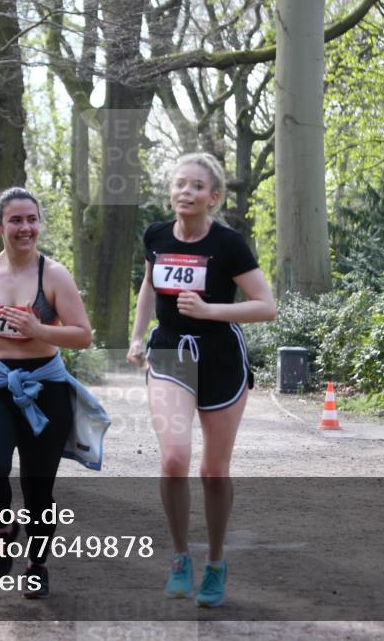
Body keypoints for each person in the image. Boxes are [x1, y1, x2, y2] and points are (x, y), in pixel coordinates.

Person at [126, 153, 276, 608]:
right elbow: (150, 285)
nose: (185, 192)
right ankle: (178, 557)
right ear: (170, 192)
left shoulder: (229, 245)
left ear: (213, 197)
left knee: (213, 471)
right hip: (171, 350)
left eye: (196, 186)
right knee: (174, 458)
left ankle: (214, 562)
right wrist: (137, 337)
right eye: (179, 184)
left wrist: (212, 310)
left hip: (220, 356)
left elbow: (265, 305)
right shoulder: (154, 235)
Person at [0, 187, 95, 600]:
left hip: (44, 388)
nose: (26, 228)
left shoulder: (54, 275)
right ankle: (2, 525)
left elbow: (82, 335)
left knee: (37, 488)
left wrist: (40, 331)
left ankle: (36, 564)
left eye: (32, 219)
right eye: (16, 220)